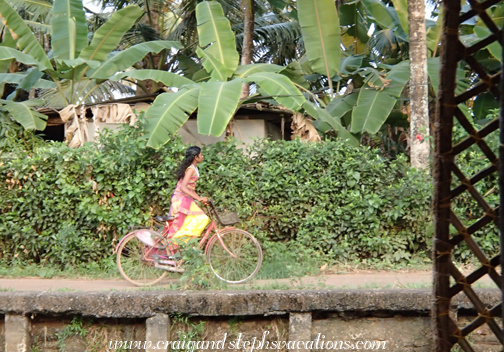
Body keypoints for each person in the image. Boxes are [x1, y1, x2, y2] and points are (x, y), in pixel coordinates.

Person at [167, 146, 210, 243]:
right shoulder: (191, 169)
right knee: (201, 218)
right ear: (196, 157)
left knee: (187, 223)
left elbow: (190, 189)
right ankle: (181, 244)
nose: (202, 156)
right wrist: (199, 199)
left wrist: (200, 199)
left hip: (183, 199)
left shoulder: (193, 168)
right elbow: (183, 187)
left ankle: (185, 245)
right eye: (201, 155)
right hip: (181, 200)